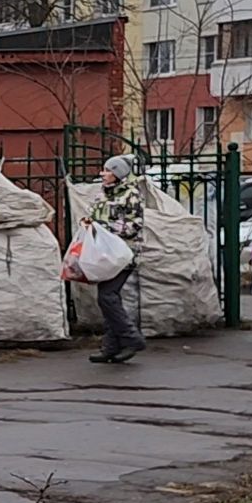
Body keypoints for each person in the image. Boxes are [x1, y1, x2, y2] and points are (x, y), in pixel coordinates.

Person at [86, 154, 147, 364]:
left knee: (107, 296)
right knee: (109, 297)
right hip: (104, 254)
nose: (103, 174)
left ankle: (132, 338)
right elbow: (94, 216)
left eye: (108, 170)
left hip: (124, 255)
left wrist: (106, 229)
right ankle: (112, 347)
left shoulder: (131, 195)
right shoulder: (103, 194)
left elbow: (134, 225)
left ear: (118, 174)